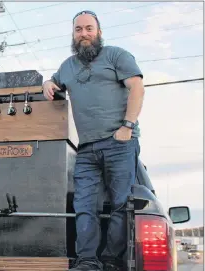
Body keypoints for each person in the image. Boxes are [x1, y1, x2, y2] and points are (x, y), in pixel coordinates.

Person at [42, 10, 145, 271]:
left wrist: (127, 126)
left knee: (121, 205)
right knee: (84, 206)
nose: (84, 34)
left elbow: (137, 87)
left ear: (98, 31)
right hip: (86, 150)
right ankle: (87, 260)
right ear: (73, 34)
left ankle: (110, 260)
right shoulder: (67, 66)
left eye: (89, 28)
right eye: (79, 30)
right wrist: (47, 82)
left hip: (119, 143)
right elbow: (55, 84)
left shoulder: (116, 55)